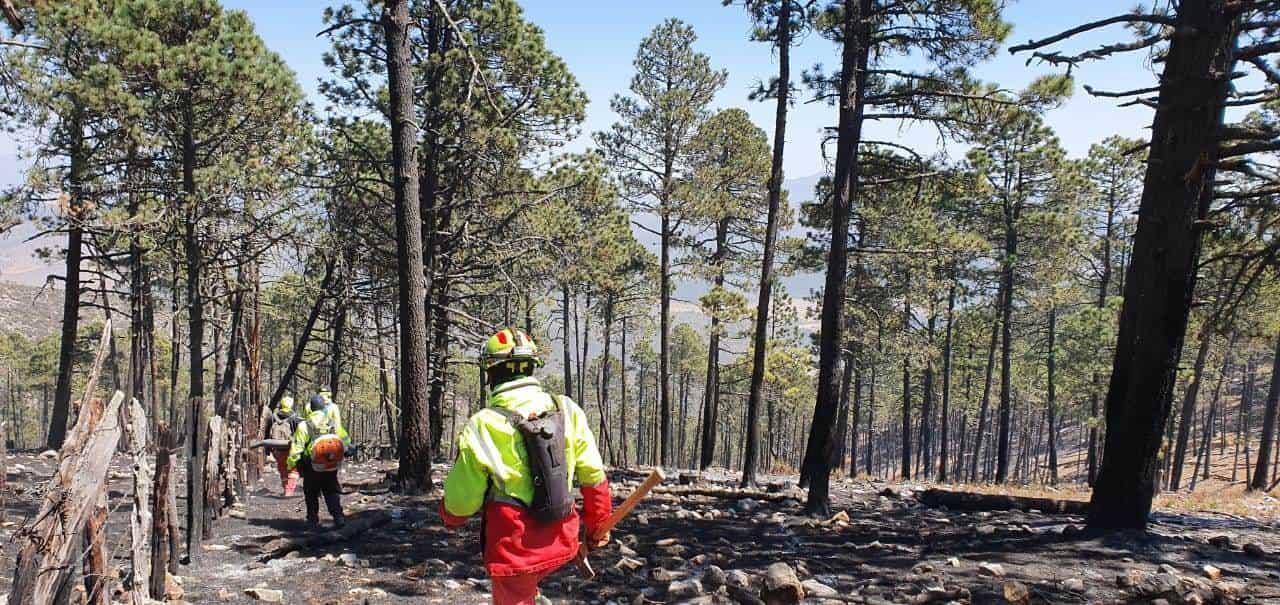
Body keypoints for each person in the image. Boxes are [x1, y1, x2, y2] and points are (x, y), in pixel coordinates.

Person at [441, 328, 613, 605]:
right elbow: (593, 474)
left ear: (490, 372)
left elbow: (461, 504)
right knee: (531, 585)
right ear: (532, 366)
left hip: (515, 551)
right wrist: (598, 523)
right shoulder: (566, 408)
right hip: (561, 540)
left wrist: (450, 516)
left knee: (517, 593)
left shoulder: (483, 425)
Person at [286, 394, 352, 529]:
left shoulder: (304, 425)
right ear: (323, 408)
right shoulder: (333, 423)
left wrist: (292, 465)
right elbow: (345, 441)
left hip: (311, 465)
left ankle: (312, 520)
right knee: (331, 490)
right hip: (331, 464)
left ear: (311, 408)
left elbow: (296, 449)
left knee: (311, 492)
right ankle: (338, 517)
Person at [268, 396, 302, 496]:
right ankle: (289, 491)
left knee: (282, 468)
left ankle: (286, 489)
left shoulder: (273, 417)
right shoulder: (295, 418)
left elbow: (268, 433)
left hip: (277, 449)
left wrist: (268, 449)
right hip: (291, 449)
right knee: (293, 469)